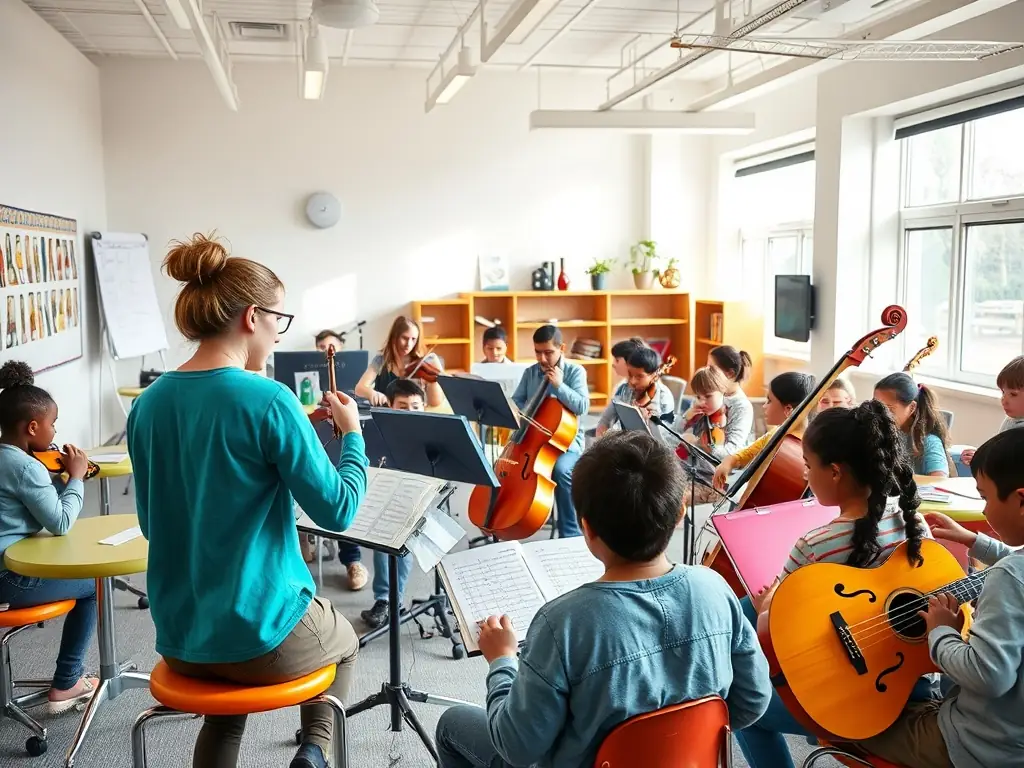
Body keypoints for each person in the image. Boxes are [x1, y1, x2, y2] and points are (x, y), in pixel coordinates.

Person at [127, 234, 367, 768]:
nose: (279, 334)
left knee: (225, 710)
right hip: (261, 638)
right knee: (347, 640)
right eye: (279, 319)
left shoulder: (148, 404)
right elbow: (340, 509)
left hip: (183, 638)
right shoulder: (271, 399)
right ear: (252, 317)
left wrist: (292, 433)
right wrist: (352, 435)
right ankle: (314, 752)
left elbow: (151, 520)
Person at [434, 430, 773, 768]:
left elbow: (517, 747)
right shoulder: (715, 588)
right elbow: (753, 701)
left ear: (587, 528)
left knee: (452, 724)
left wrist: (502, 661)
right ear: (680, 513)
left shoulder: (561, 624)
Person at [736, 400, 931, 768]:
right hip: (915, 681)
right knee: (743, 609)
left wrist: (766, 607)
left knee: (744, 704)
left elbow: (778, 625)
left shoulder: (816, 544)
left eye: (808, 466)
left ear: (836, 472)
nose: (805, 474)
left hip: (856, 699)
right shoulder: (914, 524)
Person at [861, 427, 1024, 768]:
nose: (985, 510)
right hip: (1012, 735)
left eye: (986, 498)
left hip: (981, 746)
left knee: (847, 722)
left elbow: (987, 675)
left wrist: (941, 630)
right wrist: (975, 541)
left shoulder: (1008, 578)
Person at [0, 361, 97, 714]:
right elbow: (60, 522)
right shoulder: (26, 467)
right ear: (32, 426)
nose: (55, 431)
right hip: (9, 578)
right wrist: (76, 477)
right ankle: (68, 681)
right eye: (52, 424)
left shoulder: (14, 459)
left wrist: (52, 475)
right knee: (95, 586)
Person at [301, 329, 369, 591]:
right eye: (321, 347)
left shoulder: (353, 383)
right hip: (314, 444)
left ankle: (352, 560)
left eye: (330, 347)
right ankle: (303, 537)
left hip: (338, 450)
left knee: (344, 487)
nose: (326, 352)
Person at [509, 325, 590, 538]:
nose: (542, 358)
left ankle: (570, 533)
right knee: (513, 467)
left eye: (548, 352)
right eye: (538, 352)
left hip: (566, 444)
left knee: (561, 471)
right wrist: (523, 411)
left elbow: (582, 406)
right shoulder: (530, 372)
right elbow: (518, 400)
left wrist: (560, 386)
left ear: (561, 348)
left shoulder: (575, 372)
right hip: (534, 440)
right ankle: (515, 522)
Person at [360, 379, 425, 629]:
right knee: (382, 539)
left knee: (402, 538)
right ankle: (385, 599)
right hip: (387, 498)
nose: (410, 412)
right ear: (390, 406)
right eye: (403, 406)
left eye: (416, 407)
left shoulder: (431, 434)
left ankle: (393, 600)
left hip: (419, 503)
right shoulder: (378, 431)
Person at [712, 372, 817, 491]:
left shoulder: (801, 448)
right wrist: (729, 462)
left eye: (769, 400)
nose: (764, 406)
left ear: (788, 409)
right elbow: (746, 454)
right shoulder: (775, 433)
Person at [675, 366, 736, 507]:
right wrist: (686, 417)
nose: (701, 402)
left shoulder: (727, 420)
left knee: (673, 496)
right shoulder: (699, 414)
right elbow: (673, 434)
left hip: (711, 484)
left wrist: (695, 443)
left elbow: (728, 457)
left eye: (708, 396)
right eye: (698, 397)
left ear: (722, 391)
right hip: (686, 473)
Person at [355, 316, 444, 408]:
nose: (409, 344)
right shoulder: (381, 360)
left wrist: (433, 378)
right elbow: (359, 388)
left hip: (412, 415)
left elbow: (435, 402)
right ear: (394, 337)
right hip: (385, 413)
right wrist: (372, 393)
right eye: (405, 338)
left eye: (413, 339)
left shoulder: (423, 363)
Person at [874, 372, 950, 477]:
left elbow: (940, 480)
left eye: (889, 409)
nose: (879, 415)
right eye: (875, 407)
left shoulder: (928, 441)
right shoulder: (877, 434)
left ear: (912, 408)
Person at [595, 346, 674, 441]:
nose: (632, 381)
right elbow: (606, 420)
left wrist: (649, 422)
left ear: (654, 376)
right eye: (630, 374)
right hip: (629, 444)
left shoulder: (663, 397)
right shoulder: (624, 389)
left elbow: (665, 438)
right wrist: (601, 437)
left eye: (639, 377)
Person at [959, 355, 1024, 467]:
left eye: (1013, 394)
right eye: (1003, 392)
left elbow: (1009, 466)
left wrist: (983, 460)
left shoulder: (1020, 430)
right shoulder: (1011, 420)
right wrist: (981, 456)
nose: (1004, 400)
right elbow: (999, 453)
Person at [707, 345, 755, 449]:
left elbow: (732, 450)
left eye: (711, 369)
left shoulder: (742, 407)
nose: (706, 372)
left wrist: (701, 445)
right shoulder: (710, 392)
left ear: (730, 374)